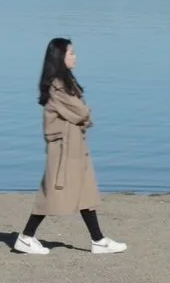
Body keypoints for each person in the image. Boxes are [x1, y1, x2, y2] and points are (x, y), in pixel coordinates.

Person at [13, 37, 126, 255]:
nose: (75, 56)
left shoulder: (65, 82)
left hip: (75, 145)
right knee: (53, 193)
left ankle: (98, 240)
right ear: (60, 56)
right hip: (64, 149)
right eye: (71, 53)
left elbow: (80, 113)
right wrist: (86, 115)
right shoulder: (58, 86)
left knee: (85, 192)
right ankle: (26, 237)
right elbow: (81, 111)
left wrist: (83, 116)